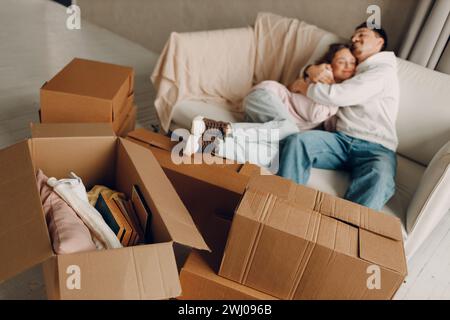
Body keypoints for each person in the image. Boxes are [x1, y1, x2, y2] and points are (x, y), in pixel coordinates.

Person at [277, 22, 399, 211]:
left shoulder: (382, 71)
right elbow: (325, 68)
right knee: (298, 142)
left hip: (376, 148)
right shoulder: (356, 68)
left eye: (361, 35)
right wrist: (309, 70)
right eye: (353, 36)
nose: (353, 39)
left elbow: (341, 95)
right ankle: (283, 207)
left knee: (380, 177)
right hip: (341, 141)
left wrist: (306, 87)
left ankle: (343, 233)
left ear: (379, 42)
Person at [183, 43, 357, 169]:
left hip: (272, 124)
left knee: (277, 155)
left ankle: (207, 144)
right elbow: (314, 114)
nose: (348, 66)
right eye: (342, 61)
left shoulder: (339, 95)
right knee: (290, 128)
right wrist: (323, 85)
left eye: (352, 63)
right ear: (330, 63)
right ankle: (215, 127)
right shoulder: (322, 76)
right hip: (266, 97)